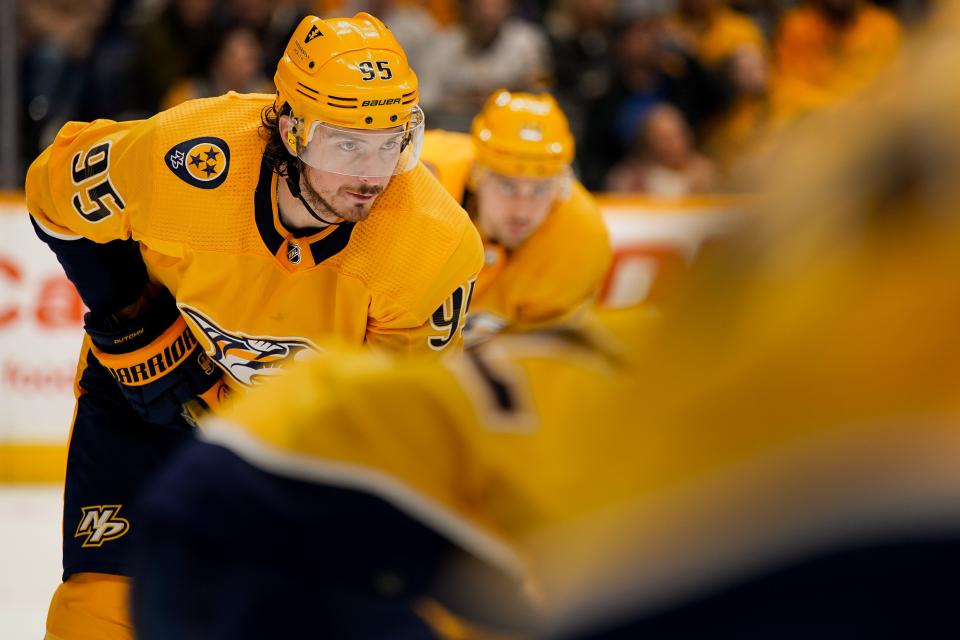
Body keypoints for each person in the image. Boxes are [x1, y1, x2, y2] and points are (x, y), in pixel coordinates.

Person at [129, 4, 960, 637]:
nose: (523, 205)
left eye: (543, 186)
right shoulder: (409, 201)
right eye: (508, 182)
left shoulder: (577, 246)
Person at [24, 13, 482, 639]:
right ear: (290, 128)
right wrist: (132, 314)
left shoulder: (430, 246)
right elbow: (51, 194)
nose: (373, 174)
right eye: (345, 143)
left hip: (295, 445)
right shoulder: (185, 158)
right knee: (98, 616)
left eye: (393, 141)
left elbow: (389, 429)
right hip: (146, 405)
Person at [421, 90, 612, 344]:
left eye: (541, 189)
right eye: (507, 186)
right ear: (477, 173)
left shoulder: (581, 237)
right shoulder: (420, 185)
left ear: (561, 185)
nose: (522, 211)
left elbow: (537, 367)